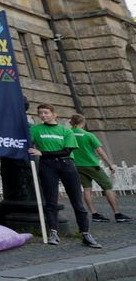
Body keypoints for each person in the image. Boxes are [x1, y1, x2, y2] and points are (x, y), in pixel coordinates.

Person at [29, 104, 102, 248]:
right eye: (40, 113)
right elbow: (28, 144)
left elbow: (67, 151)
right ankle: (53, 233)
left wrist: (42, 153)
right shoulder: (35, 129)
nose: (43, 115)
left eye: (46, 112)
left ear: (54, 114)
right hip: (47, 166)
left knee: (77, 200)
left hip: (66, 165)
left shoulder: (66, 131)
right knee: (51, 201)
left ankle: (86, 234)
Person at [69, 114, 132, 223]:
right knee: (108, 187)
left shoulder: (68, 134)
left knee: (87, 189)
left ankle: (94, 214)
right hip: (92, 165)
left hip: (77, 165)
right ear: (83, 123)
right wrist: (110, 164)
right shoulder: (88, 135)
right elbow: (100, 151)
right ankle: (117, 214)